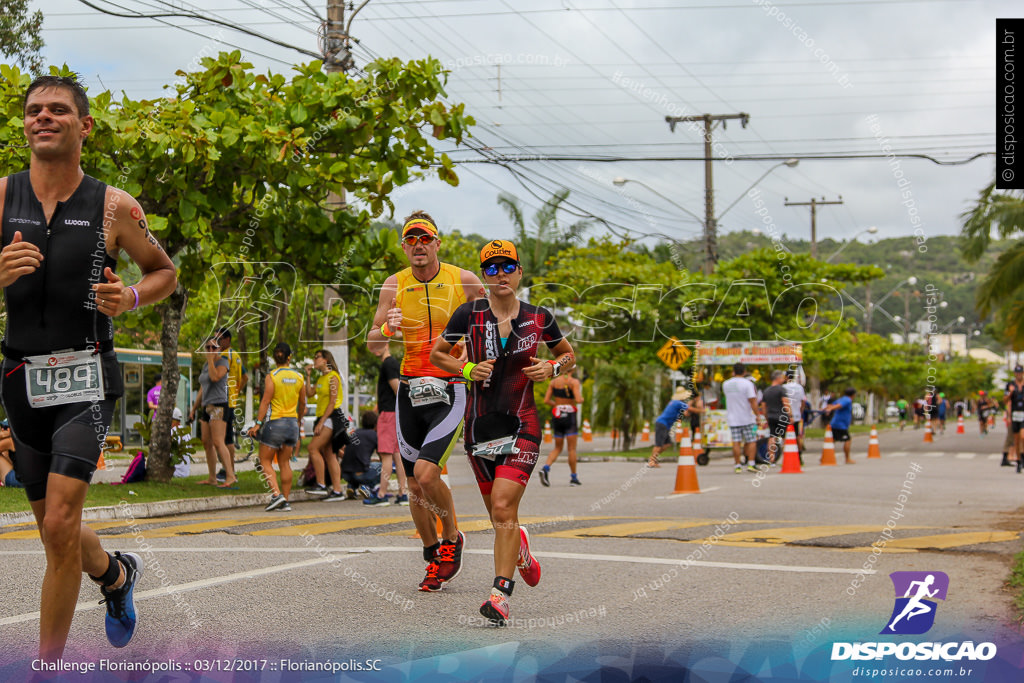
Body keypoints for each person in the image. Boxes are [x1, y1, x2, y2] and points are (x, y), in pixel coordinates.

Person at [0, 74, 176, 659]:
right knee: (59, 528)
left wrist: (128, 297)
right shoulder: (1, 197)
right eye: (33, 111)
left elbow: (164, 271)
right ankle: (116, 575)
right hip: (21, 378)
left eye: (57, 110)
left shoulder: (114, 206)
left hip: (88, 376)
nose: (42, 117)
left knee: (57, 526)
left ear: (84, 125)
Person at [429, 239, 575, 625]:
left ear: (520, 272)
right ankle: (521, 550)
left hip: (522, 422)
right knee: (501, 519)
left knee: (503, 507)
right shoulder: (468, 314)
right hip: (480, 427)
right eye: (491, 269)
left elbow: (569, 354)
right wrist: (464, 370)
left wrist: (552, 369)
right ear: (484, 276)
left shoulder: (539, 317)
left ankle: (499, 596)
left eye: (507, 266)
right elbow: (437, 354)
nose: (500, 274)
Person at [367, 211, 485, 592]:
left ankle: (452, 537)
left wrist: (473, 347)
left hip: (450, 386)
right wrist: (387, 328)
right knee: (415, 487)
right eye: (411, 240)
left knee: (427, 474)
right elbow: (373, 342)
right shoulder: (393, 285)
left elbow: (493, 323)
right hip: (411, 389)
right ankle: (432, 553)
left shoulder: (462, 278)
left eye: (425, 239)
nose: (418, 246)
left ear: (437, 243)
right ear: (404, 247)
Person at [247, 342, 305, 511]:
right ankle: (285, 501)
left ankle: (276, 495)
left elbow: (265, 402)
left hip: (275, 423)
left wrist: (257, 424)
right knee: (285, 463)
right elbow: (302, 403)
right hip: (292, 424)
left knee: (264, 460)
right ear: (289, 357)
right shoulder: (299, 377)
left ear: (275, 357)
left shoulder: (273, 376)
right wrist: (299, 420)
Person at [189, 338, 236, 488]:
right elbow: (203, 388)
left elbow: (215, 377)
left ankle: (230, 476)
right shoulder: (205, 366)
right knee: (206, 442)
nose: (210, 350)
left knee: (218, 441)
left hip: (219, 406)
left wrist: (211, 360)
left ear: (219, 349)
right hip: (206, 406)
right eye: (207, 347)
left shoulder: (223, 362)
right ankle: (212, 477)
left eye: (213, 347)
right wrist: (194, 408)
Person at [365, 343, 409, 506]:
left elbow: (398, 389)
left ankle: (382, 494)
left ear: (387, 343)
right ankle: (402, 493)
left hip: (388, 415)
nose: (375, 347)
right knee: (397, 454)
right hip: (395, 414)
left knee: (385, 454)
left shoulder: (388, 364)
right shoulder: (393, 363)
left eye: (379, 343)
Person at [302, 348, 348, 501]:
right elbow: (309, 393)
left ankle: (321, 484)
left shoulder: (333, 377)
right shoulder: (321, 378)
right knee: (329, 454)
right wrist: (308, 376)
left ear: (326, 360)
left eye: (317, 357)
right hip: (323, 416)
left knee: (313, 448)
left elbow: (332, 402)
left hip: (331, 417)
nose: (315, 360)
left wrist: (321, 423)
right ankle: (337, 490)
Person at [538, 366, 584, 484]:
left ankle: (546, 468)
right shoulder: (574, 382)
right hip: (570, 415)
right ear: (572, 370)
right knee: (571, 448)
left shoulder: (553, 382)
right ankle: (574, 477)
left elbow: (546, 400)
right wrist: (581, 399)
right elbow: (578, 400)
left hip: (557, 414)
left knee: (557, 447)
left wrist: (557, 404)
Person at [216, 327, 248, 474]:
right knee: (226, 437)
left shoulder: (223, 356)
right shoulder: (235, 355)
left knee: (222, 438)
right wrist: (236, 391)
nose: (217, 342)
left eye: (219, 339)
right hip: (230, 401)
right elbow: (245, 377)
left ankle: (228, 470)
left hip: (222, 401)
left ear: (227, 339)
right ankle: (229, 470)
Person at [722, 363, 759, 473]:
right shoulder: (748, 384)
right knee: (752, 440)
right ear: (744, 372)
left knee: (736, 442)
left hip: (733, 418)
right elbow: (752, 401)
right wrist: (758, 415)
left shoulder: (726, 384)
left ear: (733, 371)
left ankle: (737, 465)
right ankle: (751, 463)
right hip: (748, 418)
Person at [342, 410, 383, 499]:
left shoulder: (355, 433)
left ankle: (351, 487)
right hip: (360, 474)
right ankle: (368, 487)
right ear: (376, 424)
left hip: (346, 473)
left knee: (357, 466)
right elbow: (382, 455)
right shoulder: (374, 435)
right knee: (383, 467)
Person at [648, 386, 690, 468]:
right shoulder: (678, 403)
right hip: (662, 424)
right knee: (658, 444)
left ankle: (653, 458)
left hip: (665, 425)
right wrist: (699, 410)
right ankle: (651, 461)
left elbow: (683, 413)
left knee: (667, 444)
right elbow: (688, 410)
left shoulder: (674, 402)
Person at [759, 370, 791, 465]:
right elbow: (786, 403)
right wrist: (790, 415)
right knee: (786, 437)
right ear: (777, 378)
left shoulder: (767, 390)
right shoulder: (781, 389)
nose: (783, 379)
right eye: (782, 377)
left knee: (772, 437)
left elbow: (763, 406)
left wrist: (766, 417)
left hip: (771, 416)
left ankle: (771, 458)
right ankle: (788, 458)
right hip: (782, 417)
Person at [824, 387, 857, 464]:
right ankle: (847, 459)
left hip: (836, 423)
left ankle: (824, 457)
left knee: (831, 440)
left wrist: (827, 408)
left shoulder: (842, 398)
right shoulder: (847, 400)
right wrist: (831, 409)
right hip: (840, 424)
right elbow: (839, 405)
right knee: (848, 440)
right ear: (853, 395)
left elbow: (832, 404)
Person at [1006, 365, 1024, 473]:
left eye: (1020, 372)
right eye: (1017, 373)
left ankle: (1022, 456)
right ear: (1014, 374)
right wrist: (1010, 392)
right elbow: (1005, 401)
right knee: (1016, 440)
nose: (1019, 374)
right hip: (1015, 415)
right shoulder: (1010, 385)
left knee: (1023, 436)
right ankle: (1019, 460)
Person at [783, 371, 806, 455]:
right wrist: (800, 411)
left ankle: (788, 454)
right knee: (797, 436)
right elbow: (803, 401)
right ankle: (799, 455)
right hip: (797, 415)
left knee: (786, 436)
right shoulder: (799, 387)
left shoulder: (783, 387)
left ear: (786, 377)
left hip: (786, 415)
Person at [1, 420, 23, 488]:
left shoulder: (10, 441)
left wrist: (2, 435)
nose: (2, 429)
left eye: (4, 428)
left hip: (21, 482)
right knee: (5, 451)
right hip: (38, 480)